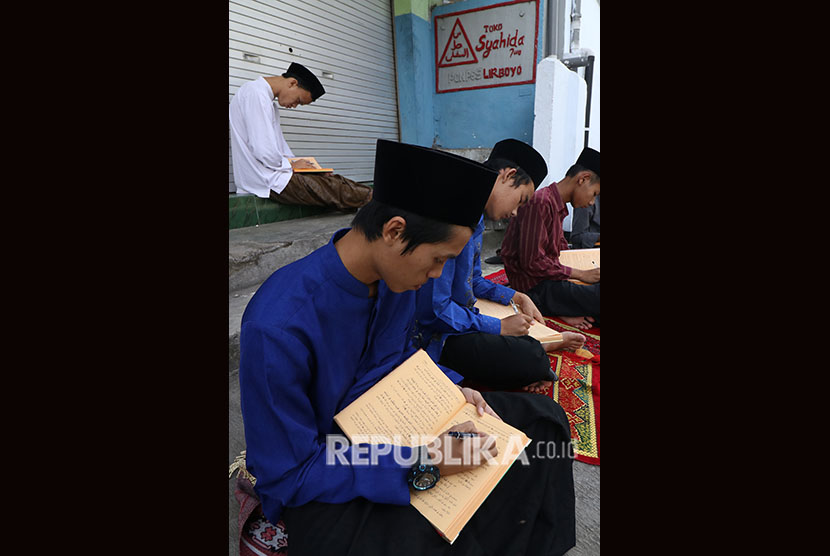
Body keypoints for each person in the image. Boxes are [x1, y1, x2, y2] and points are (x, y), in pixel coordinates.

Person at [236, 139, 575, 555]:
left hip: (394, 423)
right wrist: (423, 463)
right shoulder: (278, 325)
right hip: (332, 461)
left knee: (543, 423)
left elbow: (399, 361)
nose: (437, 277)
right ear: (395, 231)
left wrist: (448, 392)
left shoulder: (395, 281)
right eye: (438, 260)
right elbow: (290, 473)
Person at [413, 139, 585, 396]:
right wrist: (499, 328)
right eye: (520, 200)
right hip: (438, 335)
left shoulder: (476, 217)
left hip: (462, 318)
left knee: (523, 348)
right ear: (508, 175)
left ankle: (536, 345)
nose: (515, 213)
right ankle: (537, 347)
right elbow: (434, 311)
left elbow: (473, 280)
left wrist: (516, 295)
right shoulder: (454, 216)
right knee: (528, 358)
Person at [229, 62, 373, 210]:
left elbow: (280, 148)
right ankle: (380, 200)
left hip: (274, 174)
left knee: (331, 180)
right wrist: (291, 165)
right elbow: (264, 151)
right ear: (292, 83)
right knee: (334, 189)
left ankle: (376, 199)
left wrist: (307, 169)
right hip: (266, 179)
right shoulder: (255, 93)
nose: (294, 106)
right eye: (298, 100)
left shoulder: (267, 101)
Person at [500, 147, 601, 330]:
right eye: (594, 194)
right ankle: (558, 307)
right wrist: (581, 274)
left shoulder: (557, 205)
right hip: (535, 289)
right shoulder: (541, 202)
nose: (592, 202)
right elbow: (533, 262)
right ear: (583, 179)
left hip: (551, 283)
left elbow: (556, 254)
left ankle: (565, 307)